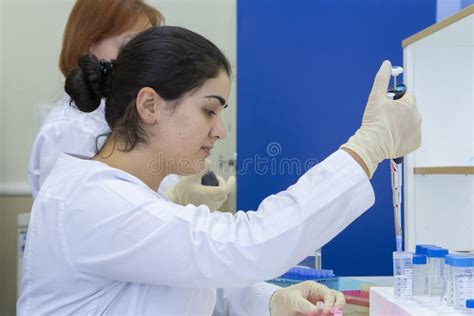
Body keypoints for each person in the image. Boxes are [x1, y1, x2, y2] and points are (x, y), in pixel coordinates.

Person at [18, 26, 421, 315]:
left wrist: (267, 299)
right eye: (209, 109)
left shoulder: (133, 194)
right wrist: (367, 147)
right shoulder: (93, 201)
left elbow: (186, 281)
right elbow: (247, 243)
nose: (221, 130)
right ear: (150, 106)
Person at [27, 0, 235, 210]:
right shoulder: (70, 129)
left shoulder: (134, 118)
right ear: (86, 47)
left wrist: (174, 201)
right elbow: (83, 216)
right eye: (129, 45)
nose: (143, 56)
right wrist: (172, 204)